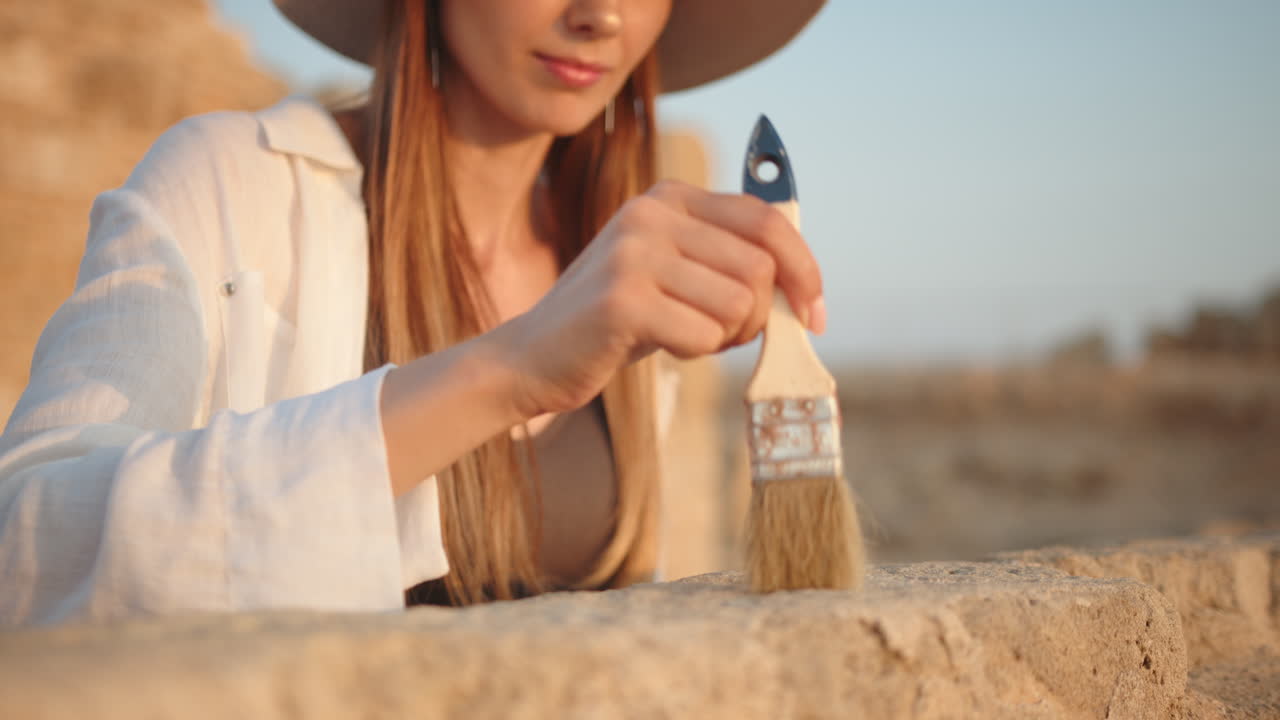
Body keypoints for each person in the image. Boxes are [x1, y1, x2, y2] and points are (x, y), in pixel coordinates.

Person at [0, 0, 827, 625]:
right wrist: (514, 368)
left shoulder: (618, 267)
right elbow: (24, 553)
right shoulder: (231, 184)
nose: (599, 15)